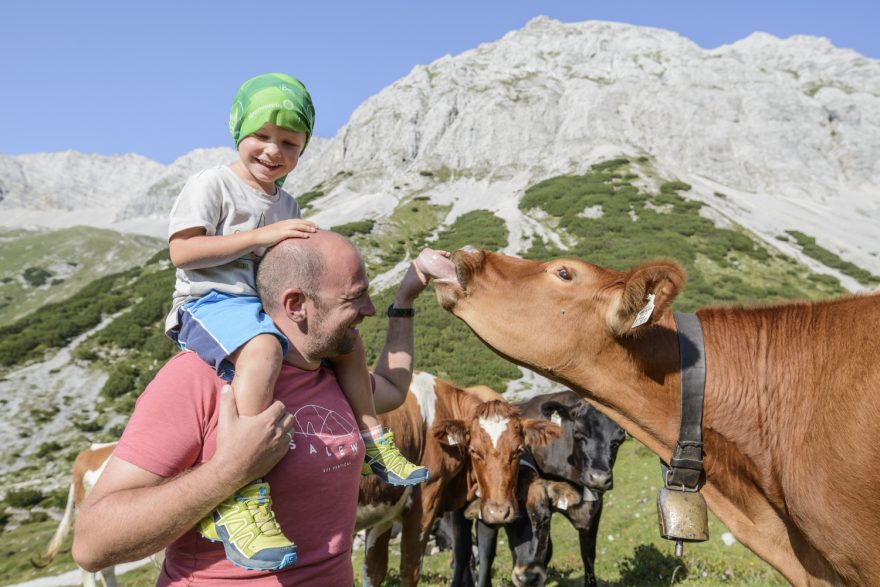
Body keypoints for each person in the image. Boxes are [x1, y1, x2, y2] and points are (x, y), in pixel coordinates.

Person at [73, 231, 449, 585]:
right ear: (296, 304)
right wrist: (228, 472)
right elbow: (93, 545)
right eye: (355, 298)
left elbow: (396, 387)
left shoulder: (334, 372)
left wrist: (404, 300)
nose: (369, 310)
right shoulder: (200, 379)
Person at [164, 73, 426, 570]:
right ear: (237, 129)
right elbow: (183, 251)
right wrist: (265, 236)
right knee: (263, 349)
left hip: (257, 305)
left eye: (289, 142)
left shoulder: (284, 201)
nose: (272, 151)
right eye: (261, 136)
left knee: (345, 342)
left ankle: (372, 436)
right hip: (210, 302)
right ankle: (239, 491)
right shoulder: (212, 184)